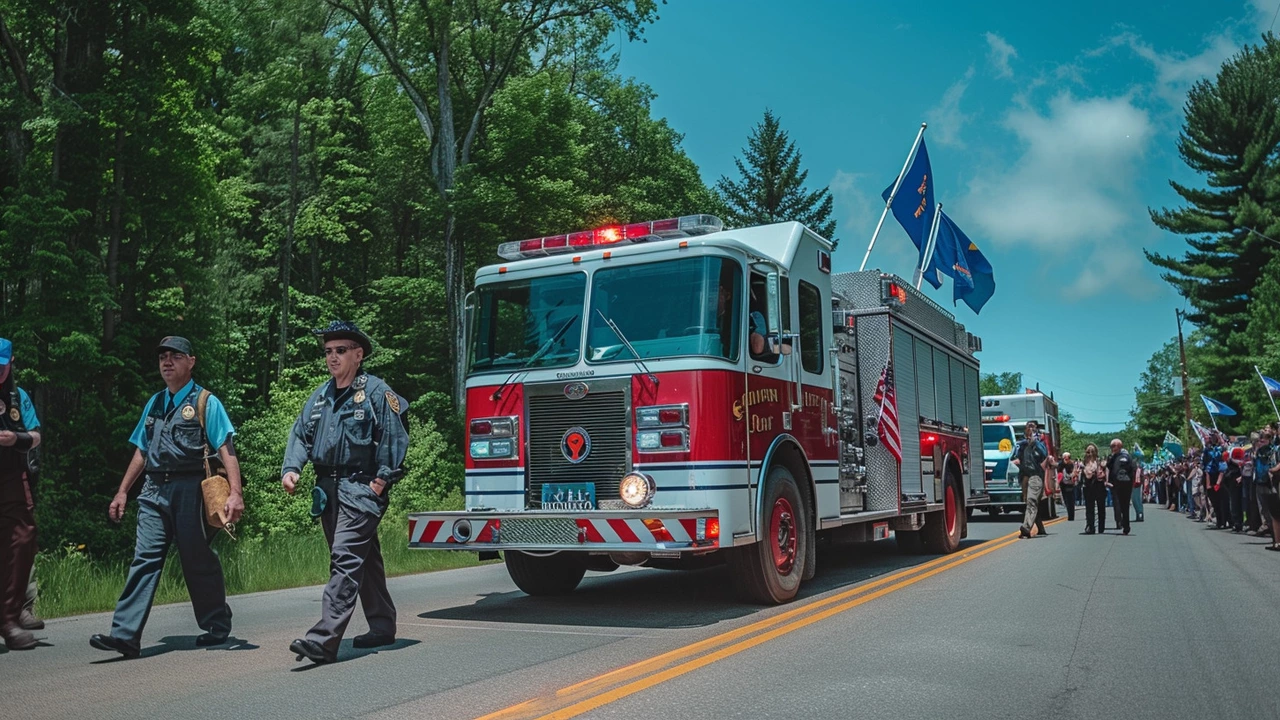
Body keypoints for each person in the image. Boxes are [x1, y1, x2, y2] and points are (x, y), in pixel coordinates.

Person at [90, 337, 244, 659]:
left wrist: (235, 493)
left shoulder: (205, 402)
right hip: (153, 491)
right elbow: (141, 451)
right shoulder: (155, 404)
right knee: (144, 559)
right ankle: (125, 636)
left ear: (191, 361)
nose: (167, 362)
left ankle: (216, 625)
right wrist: (122, 492)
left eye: (175, 356)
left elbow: (226, 449)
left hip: (192, 491)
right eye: (163, 356)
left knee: (196, 559)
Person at [282, 321, 409, 664]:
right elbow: (300, 435)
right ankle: (382, 626)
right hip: (327, 490)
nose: (332, 357)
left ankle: (324, 640)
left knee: (344, 557)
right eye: (328, 352)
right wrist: (292, 468)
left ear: (358, 354)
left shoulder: (377, 394)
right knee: (363, 558)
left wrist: (381, 481)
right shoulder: (321, 397)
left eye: (340, 351)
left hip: (360, 488)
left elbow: (394, 438)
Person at [0, 338, 42, 650]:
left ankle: (10, 618)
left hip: (12, 475)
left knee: (24, 537)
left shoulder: (19, 396)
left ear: (11, 362)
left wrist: (16, 438)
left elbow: (37, 435)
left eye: (2, 367)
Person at [1011, 421, 1049, 539]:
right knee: (1029, 502)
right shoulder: (1021, 444)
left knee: (1032, 500)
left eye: (1033, 426)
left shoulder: (1040, 443)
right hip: (1024, 477)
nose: (1031, 428)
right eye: (1029, 426)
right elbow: (1014, 457)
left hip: (1036, 476)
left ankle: (1026, 528)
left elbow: (1044, 454)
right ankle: (1041, 528)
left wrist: (1035, 442)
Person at [1106, 439, 1136, 535]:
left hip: (1124, 484)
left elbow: (1132, 470)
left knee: (1124, 504)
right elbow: (1108, 467)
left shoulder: (1127, 457)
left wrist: (1131, 482)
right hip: (1116, 484)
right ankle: (1121, 522)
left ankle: (1126, 525)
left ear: (1118, 446)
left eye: (1112, 446)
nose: (1111, 449)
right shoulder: (1113, 457)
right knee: (1120, 504)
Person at [1080, 444, 1107, 534]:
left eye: (1092, 451)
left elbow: (1104, 472)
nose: (1090, 453)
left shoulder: (1100, 462)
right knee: (1089, 509)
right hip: (1088, 488)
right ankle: (1090, 526)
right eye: (1088, 451)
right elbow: (1085, 476)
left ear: (1096, 452)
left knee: (1101, 508)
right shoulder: (1083, 463)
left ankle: (1101, 528)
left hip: (1099, 487)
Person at [1057, 452, 1078, 522]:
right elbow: (1058, 471)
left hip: (1070, 484)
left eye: (1067, 457)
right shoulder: (1060, 464)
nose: (1066, 459)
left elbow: (1075, 473)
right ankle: (1069, 512)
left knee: (1071, 500)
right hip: (1063, 484)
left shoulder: (1072, 464)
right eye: (1064, 458)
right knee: (1065, 500)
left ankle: (1071, 515)